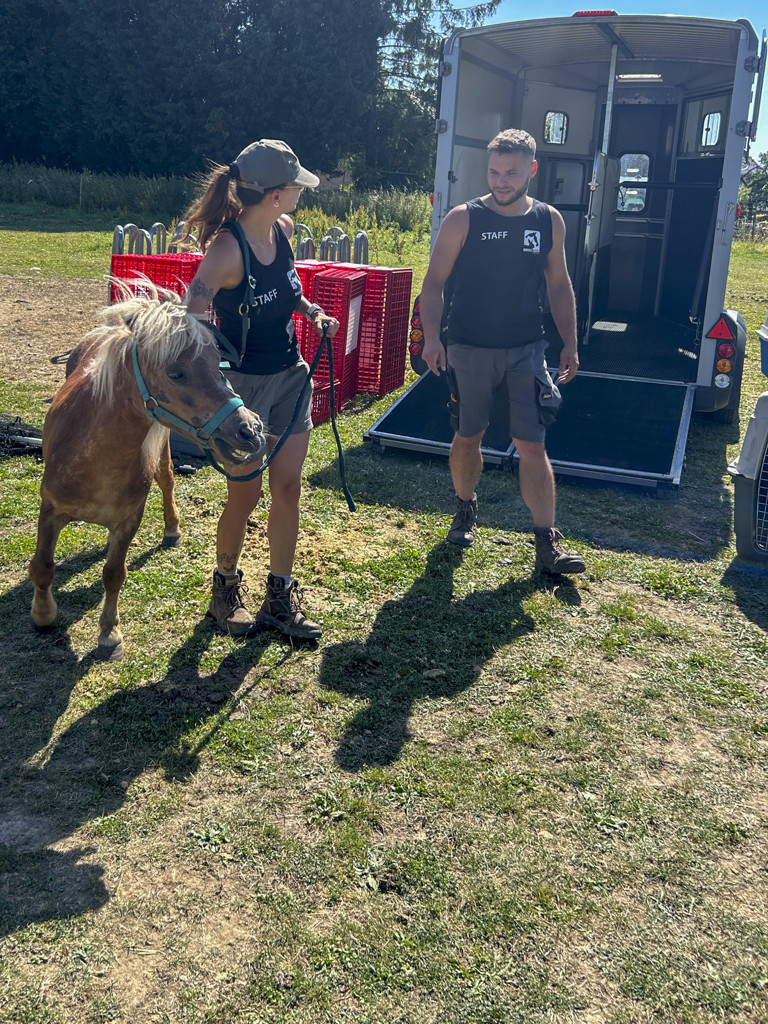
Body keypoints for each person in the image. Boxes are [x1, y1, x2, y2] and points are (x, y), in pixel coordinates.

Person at [183, 139, 339, 639]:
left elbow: (286, 291)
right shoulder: (226, 251)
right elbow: (193, 313)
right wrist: (213, 378)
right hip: (243, 389)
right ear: (275, 193)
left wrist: (311, 312)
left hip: (290, 377)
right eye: (296, 186)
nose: (301, 193)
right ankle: (224, 588)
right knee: (244, 496)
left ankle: (280, 593)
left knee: (288, 487)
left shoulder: (284, 229)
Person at [419, 128, 585, 575]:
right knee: (467, 436)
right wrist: (431, 337)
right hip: (468, 347)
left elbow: (558, 283)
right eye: (494, 172)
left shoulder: (549, 220)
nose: (501, 181)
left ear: (531, 170)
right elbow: (432, 284)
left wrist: (570, 342)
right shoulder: (463, 218)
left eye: (511, 172)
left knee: (532, 444)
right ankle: (465, 507)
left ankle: (547, 541)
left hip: (526, 349)